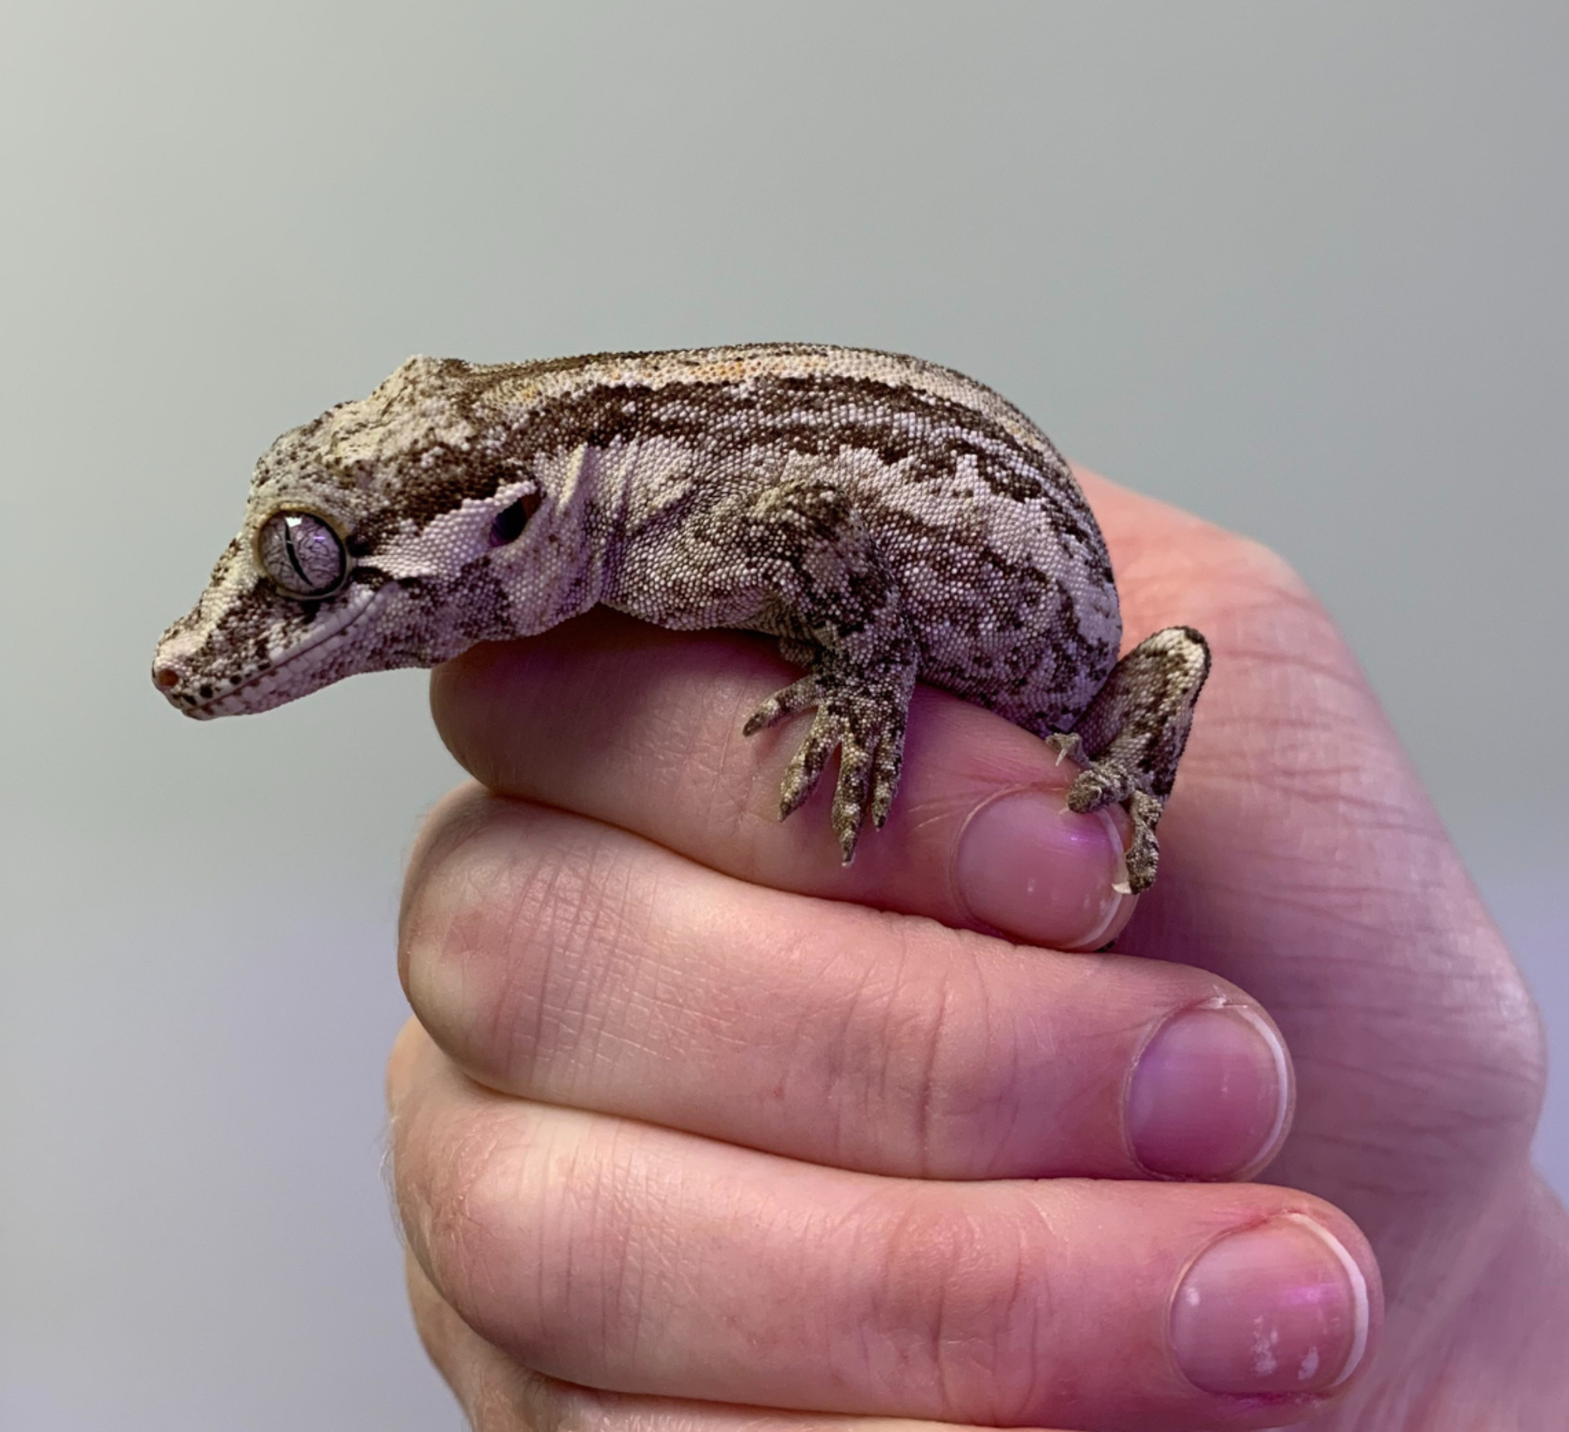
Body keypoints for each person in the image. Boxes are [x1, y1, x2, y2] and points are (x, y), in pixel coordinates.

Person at [385, 469, 1566, 1429]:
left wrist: (1440, 1341)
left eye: (320, 568)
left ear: (511, 509)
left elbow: (831, 528)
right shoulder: (643, 546)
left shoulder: (677, 519)